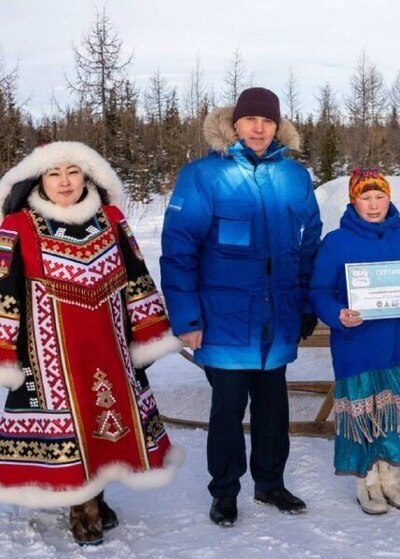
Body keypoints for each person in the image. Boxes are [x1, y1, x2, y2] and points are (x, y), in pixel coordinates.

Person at [0, 141, 183, 546]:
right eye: (54, 173)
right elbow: (4, 290)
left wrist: (148, 332)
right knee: (71, 424)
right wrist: (6, 351)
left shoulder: (112, 219)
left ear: (88, 176)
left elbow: (137, 276)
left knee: (107, 421)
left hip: (110, 344)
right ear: (39, 179)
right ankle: (81, 507)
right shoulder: (19, 226)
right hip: (48, 353)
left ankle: (97, 493)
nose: (64, 182)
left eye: (73, 172)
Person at [160, 87, 322, 526]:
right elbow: (179, 250)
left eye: (267, 121)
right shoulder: (203, 176)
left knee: (273, 408)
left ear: (277, 127)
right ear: (234, 124)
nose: (258, 128)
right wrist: (187, 318)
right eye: (250, 120)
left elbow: (310, 244)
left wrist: (307, 302)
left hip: (278, 317)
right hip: (225, 318)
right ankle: (225, 491)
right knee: (228, 410)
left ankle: (270, 483)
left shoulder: (294, 177)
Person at [309, 169, 400, 514]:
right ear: (353, 200)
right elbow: (318, 291)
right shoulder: (336, 243)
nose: (374, 204)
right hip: (358, 345)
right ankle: (366, 483)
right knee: (365, 417)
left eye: (380, 196)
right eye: (366, 197)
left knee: (395, 413)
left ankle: (391, 479)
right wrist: (338, 313)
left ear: (389, 198)